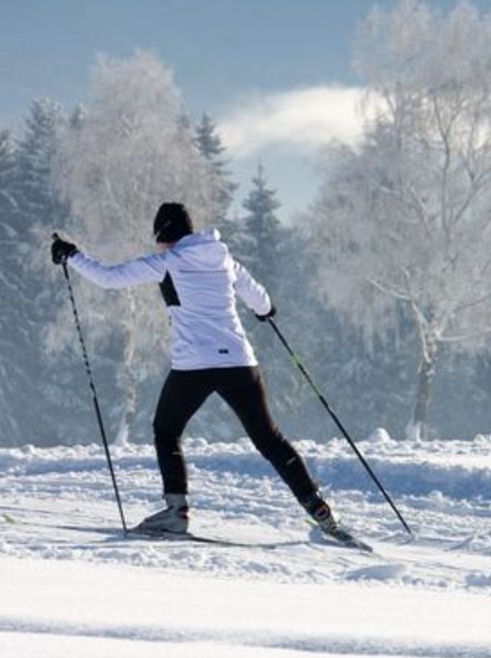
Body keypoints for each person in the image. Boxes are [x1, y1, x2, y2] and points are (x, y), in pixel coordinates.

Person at [51, 202, 345, 538]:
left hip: (195, 365)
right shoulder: (225, 260)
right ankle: (318, 508)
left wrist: (70, 255)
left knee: (166, 430)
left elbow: (108, 278)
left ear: (165, 234)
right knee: (270, 439)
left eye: (158, 237)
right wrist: (265, 311)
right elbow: (262, 303)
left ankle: (176, 513)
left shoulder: (167, 262)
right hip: (239, 361)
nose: (157, 244)